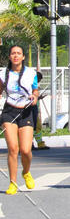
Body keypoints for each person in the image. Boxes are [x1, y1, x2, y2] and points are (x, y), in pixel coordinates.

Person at [0, 44, 39, 194]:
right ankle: (13, 183)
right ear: (9, 56)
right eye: (13, 53)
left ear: (23, 57)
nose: (16, 55)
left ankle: (26, 172)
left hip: (26, 111)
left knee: (25, 150)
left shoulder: (30, 73)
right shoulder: (3, 73)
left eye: (18, 53)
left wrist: (34, 97)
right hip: (9, 111)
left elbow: (35, 90)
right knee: (13, 148)